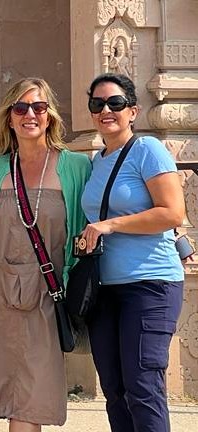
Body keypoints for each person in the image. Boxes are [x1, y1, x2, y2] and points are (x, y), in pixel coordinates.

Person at [0, 77, 91, 430]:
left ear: (50, 116)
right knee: (6, 393)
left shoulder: (76, 168)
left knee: (32, 398)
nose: (30, 115)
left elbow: (100, 214)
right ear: (9, 117)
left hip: (48, 298)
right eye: (20, 108)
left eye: (38, 107)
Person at [79, 73, 185, 432]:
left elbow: (172, 212)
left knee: (143, 387)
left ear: (133, 111)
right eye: (97, 104)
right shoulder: (95, 161)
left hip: (150, 284)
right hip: (105, 289)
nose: (105, 110)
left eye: (115, 103)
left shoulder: (147, 149)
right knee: (115, 389)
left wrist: (110, 225)